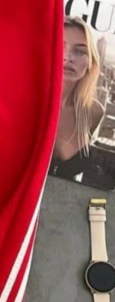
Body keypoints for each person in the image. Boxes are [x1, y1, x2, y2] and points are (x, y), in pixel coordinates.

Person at [49, 15, 105, 180]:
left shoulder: (93, 112)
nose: (68, 58)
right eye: (61, 46)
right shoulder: (26, 103)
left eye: (80, 51)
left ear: (91, 63)